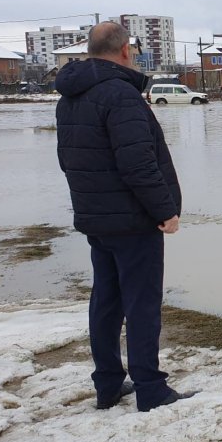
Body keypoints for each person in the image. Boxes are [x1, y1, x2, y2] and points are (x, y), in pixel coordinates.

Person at [55, 21, 195, 412]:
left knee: (105, 301)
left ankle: (108, 384)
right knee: (141, 304)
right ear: (126, 51)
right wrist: (164, 210)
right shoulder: (120, 94)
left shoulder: (71, 97)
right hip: (133, 221)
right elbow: (137, 163)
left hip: (96, 217)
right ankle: (151, 388)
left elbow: (68, 159)